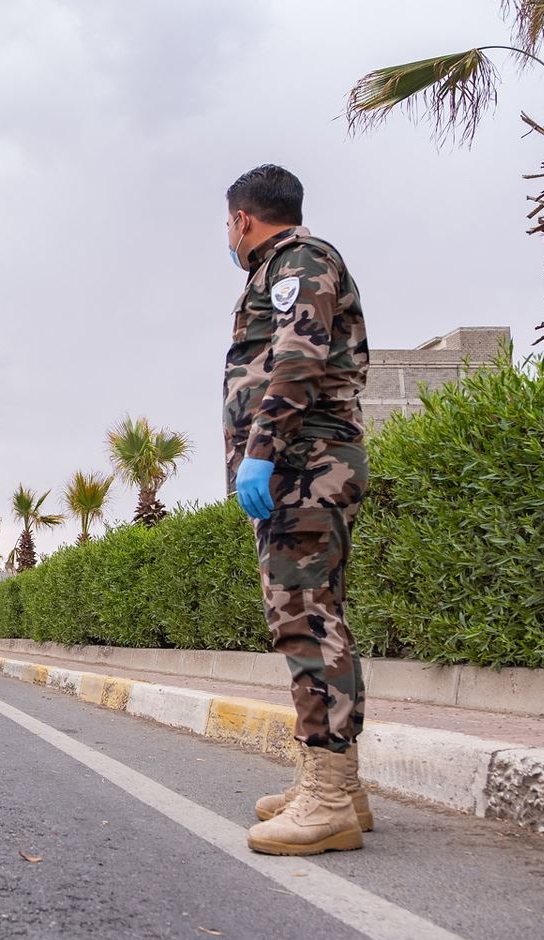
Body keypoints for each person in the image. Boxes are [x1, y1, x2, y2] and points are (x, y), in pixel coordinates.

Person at [221, 164, 371, 856]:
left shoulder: (299, 262)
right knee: (315, 614)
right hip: (302, 462)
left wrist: (263, 447)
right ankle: (334, 780)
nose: (228, 235)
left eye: (228, 224)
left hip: (303, 463)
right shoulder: (289, 267)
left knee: (305, 618)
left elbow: (299, 357)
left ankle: (331, 799)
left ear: (243, 220)